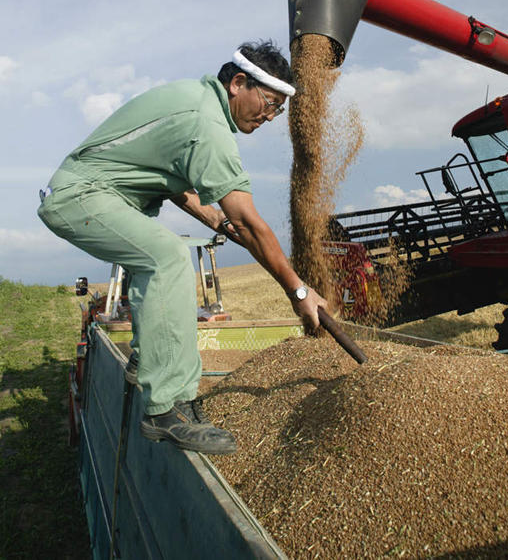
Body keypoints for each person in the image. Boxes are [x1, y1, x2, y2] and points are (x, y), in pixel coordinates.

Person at [38, 40, 328, 455]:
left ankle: (148, 360)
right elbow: (248, 221)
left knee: (157, 255)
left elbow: (174, 182)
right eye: (268, 103)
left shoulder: (197, 103)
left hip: (93, 194)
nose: (269, 116)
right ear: (238, 83)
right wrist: (298, 292)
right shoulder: (205, 124)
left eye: (278, 110)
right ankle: (165, 409)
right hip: (80, 196)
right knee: (167, 258)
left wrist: (215, 219)